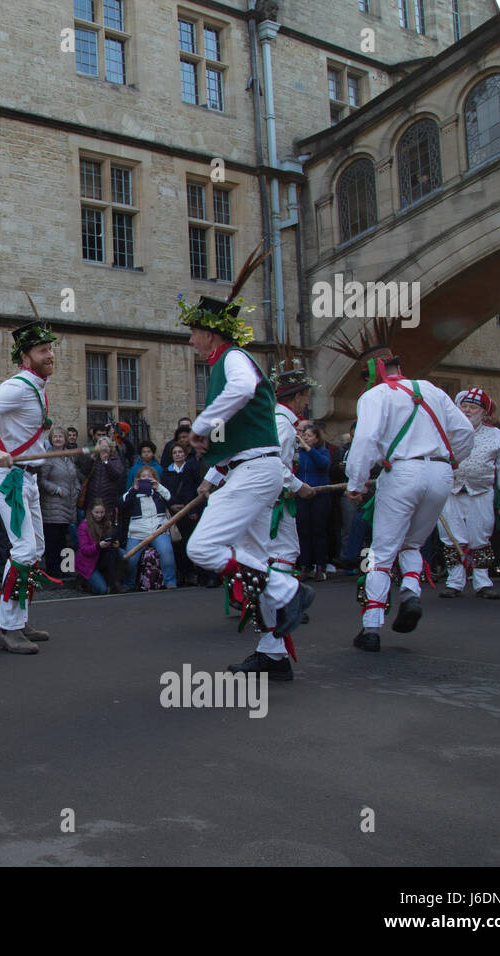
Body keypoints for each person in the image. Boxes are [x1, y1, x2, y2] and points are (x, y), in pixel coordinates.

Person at [178, 248, 312, 682]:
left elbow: (243, 387)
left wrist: (200, 424)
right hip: (249, 469)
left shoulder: (233, 360)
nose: (191, 341)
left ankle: (290, 590)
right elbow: (236, 430)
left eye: (194, 332)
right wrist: (213, 468)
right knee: (254, 557)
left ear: (210, 334)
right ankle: (273, 652)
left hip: (255, 472)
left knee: (202, 548)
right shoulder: (223, 361)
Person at [335, 318, 474, 652]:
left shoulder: (375, 396)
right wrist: (451, 460)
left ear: (373, 374)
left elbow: (365, 440)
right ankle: (410, 594)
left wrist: (355, 483)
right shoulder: (432, 390)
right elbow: (465, 433)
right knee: (411, 545)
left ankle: (370, 628)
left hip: (402, 475)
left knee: (382, 553)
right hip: (440, 475)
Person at [0, 315, 59, 654]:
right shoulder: (18, 386)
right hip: (11, 480)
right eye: (42, 350)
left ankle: (20, 619)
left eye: (51, 349)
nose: (50, 355)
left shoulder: (38, 388)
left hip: (28, 478)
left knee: (34, 551)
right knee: (22, 550)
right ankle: (9, 628)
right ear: (25, 356)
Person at [437, 389, 500, 598]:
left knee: (480, 537)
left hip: (481, 491)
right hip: (450, 491)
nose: (467, 410)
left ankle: (482, 582)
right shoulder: (446, 432)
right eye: (465, 406)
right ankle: (454, 582)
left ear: (483, 413)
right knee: (451, 537)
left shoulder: (495, 435)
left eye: (473, 407)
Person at [266, 353, 318, 606]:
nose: (307, 402)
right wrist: (301, 487)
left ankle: (276, 599)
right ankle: (281, 602)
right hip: (276, 498)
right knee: (286, 550)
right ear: (296, 397)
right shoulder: (284, 425)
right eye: (306, 396)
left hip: (270, 497)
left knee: (275, 550)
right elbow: (277, 465)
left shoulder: (275, 420)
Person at [118, 465, 176, 590]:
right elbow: (122, 504)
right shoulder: (132, 492)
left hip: (158, 529)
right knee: (131, 558)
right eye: (143, 477)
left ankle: (170, 581)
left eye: (149, 476)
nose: (146, 479)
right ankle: (129, 584)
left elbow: (172, 500)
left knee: (167, 552)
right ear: (137, 479)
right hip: (137, 532)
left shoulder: (159, 491)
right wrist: (134, 489)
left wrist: (158, 487)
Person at [38, 427, 81, 579]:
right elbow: (41, 480)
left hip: (68, 504)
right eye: (55, 437)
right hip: (53, 505)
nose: (58, 439)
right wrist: (56, 489)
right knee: (53, 540)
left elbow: (73, 476)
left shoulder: (68, 457)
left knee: (64, 539)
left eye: (60, 437)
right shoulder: (48, 457)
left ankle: (65, 568)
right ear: (51, 439)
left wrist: (77, 488)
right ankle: (53, 569)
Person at [163, 441, 203, 585]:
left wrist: (193, 509)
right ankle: (182, 572)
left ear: (185, 454)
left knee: (190, 542)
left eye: (180, 452)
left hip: (190, 510)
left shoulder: (191, 468)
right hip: (175, 513)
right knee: (177, 545)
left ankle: (193, 573)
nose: (177, 455)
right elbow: (165, 492)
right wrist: (172, 505)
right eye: (175, 453)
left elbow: (196, 489)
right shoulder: (167, 471)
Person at [295, 422, 332, 580]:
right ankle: (305, 565)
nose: (305, 438)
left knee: (319, 530)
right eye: (304, 436)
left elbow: (323, 465)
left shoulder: (322, 452)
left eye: (309, 436)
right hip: (302, 495)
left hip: (319, 494)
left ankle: (320, 565)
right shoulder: (298, 453)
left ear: (316, 438)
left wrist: (309, 449)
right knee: (303, 530)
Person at [77, 502, 122, 594]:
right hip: (88, 562)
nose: (99, 515)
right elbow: (84, 550)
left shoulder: (107, 523)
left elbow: (109, 541)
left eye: (102, 512)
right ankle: (84, 581)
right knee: (102, 590)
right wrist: (98, 546)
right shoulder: (84, 526)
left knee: (121, 553)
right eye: (96, 512)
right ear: (91, 512)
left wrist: (115, 544)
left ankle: (113, 580)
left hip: (102, 559)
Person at [80, 436, 126, 517]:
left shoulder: (115, 460)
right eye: (101, 446)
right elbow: (84, 471)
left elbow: (115, 475)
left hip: (108, 500)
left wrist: (106, 462)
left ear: (110, 448)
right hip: (92, 499)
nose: (103, 449)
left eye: (106, 446)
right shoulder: (93, 459)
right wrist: (91, 459)